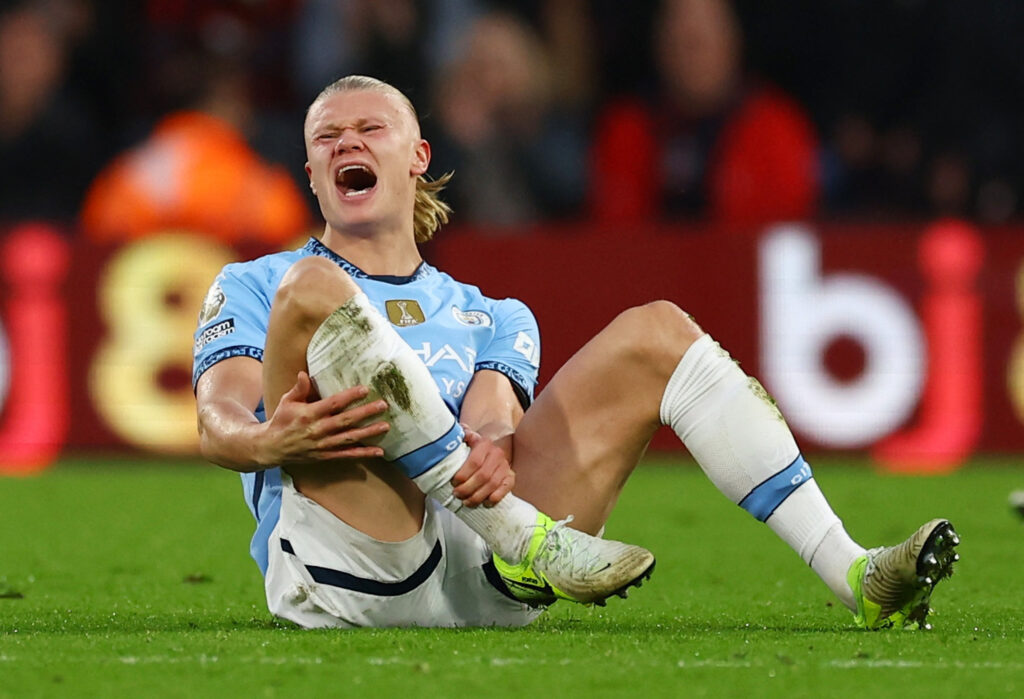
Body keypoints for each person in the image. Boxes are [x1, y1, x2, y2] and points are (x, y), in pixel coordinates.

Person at [192, 75, 958, 630]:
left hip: (486, 580)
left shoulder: (489, 311)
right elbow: (217, 415)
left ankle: (853, 570)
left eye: (370, 129)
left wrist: (490, 445)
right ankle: (525, 540)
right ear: (313, 177)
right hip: (352, 568)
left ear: (418, 155)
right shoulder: (263, 283)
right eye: (328, 136)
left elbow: (495, 413)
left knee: (658, 327)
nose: (347, 142)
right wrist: (267, 440)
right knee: (316, 286)